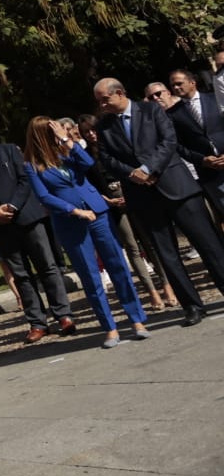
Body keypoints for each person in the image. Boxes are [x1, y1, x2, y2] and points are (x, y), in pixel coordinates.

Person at [93, 77, 224, 326]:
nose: (102, 105)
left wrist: (148, 167)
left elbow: (169, 140)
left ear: (119, 93)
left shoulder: (152, 110)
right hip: (143, 197)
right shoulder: (105, 126)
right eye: (99, 101)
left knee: (209, 244)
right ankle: (192, 306)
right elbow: (107, 159)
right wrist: (132, 174)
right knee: (167, 255)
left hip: (177, 187)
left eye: (105, 99)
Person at [22, 116, 151, 349]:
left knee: (118, 266)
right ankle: (110, 327)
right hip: (71, 223)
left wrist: (66, 140)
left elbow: (88, 163)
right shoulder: (32, 165)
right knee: (91, 277)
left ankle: (137, 319)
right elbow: (44, 196)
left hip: (98, 213)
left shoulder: (67, 152)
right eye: (53, 130)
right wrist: (74, 211)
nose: (58, 132)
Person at [0, 120, 75, 343]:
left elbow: (25, 179)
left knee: (47, 267)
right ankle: (37, 323)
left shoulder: (9, 151)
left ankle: (63, 315)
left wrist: (12, 206)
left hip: (28, 219)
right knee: (21, 275)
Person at [78, 114, 173, 311]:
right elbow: (88, 186)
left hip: (134, 196)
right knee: (131, 246)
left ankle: (167, 284)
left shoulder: (113, 145)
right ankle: (151, 291)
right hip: (112, 204)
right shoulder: (86, 156)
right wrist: (109, 201)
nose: (91, 134)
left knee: (149, 242)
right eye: (86, 132)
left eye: (93, 129)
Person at [165, 69, 224, 217]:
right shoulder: (172, 114)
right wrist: (202, 160)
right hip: (209, 171)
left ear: (192, 82)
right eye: (173, 86)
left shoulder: (216, 99)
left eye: (179, 83)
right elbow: (178, 145)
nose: (176, 88)